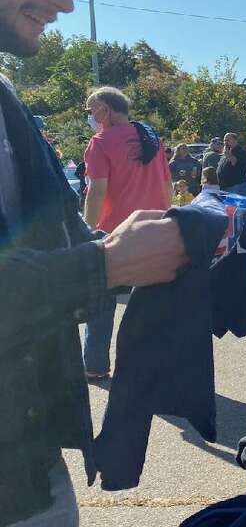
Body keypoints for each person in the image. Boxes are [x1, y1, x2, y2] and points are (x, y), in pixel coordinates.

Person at [0, 0, 187, 527]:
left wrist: (113, 248)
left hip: (23, 459)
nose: (65, 5)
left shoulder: (6, 96)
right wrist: (102, 265)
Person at [82, 86, 173, 379]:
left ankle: (96, 365)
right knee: (149, 304)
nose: (89, 115)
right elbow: (167, 186)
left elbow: (97, 192)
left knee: (101, 301)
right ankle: (147, 364)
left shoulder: (101, 142)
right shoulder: (151, 138)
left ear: (104, 109)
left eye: (90, 109)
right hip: (153, 227)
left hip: (114, 232)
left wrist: (88, 232)